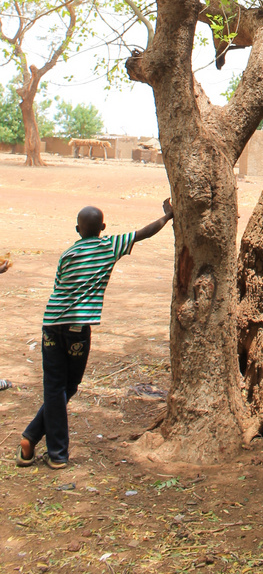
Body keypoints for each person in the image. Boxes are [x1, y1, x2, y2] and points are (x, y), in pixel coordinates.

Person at [16, 199, 174, 469]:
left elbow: (58, 287)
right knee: (69, 387)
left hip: (51, 325)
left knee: (55, 388)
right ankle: (57, 454)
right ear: (103, 227)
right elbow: (144, 233)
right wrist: (168, 216)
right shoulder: (109, 246)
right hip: (77, 328)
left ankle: (31, 439)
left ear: (77, 229)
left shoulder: (68, 254)